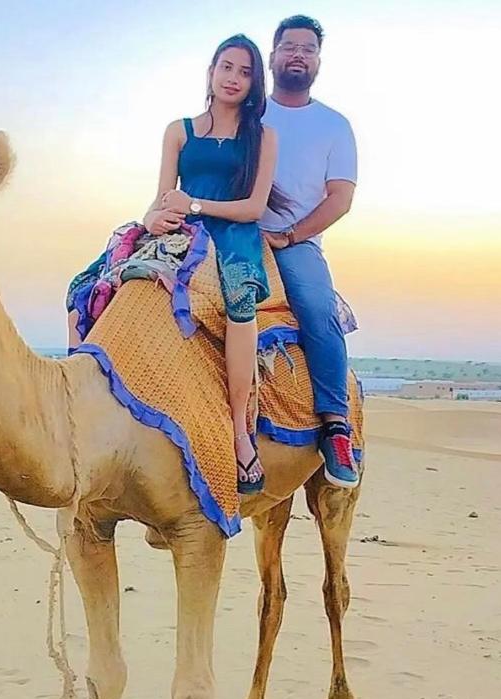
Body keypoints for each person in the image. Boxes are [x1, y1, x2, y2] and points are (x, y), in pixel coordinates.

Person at [68, 34, 290, 494]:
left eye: (245, 72)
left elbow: (253, 207)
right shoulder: (179, 131)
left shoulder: (264, 137)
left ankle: (239, 430)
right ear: (211, 71)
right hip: (178, 229)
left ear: (255, 83)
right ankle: (78, 405)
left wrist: (195, 206)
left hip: (232, 235)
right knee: (84, 287)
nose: (233, 78)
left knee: (240, 301)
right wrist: (154, 217)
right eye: (226, 67)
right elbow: (162, 198)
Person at [259, 15, 361, 489]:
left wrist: (291, 236)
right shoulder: (248, 111)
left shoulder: (333, 125)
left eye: (307, 48)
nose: (298, 55)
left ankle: (335, 426)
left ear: (318, 61)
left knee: (318, 312)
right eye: (289, 46)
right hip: (231, 230)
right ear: (273, 55)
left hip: (295, 243)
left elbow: (340, 198)